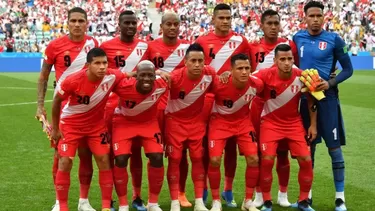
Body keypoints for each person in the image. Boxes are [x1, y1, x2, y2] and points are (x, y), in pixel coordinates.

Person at [51, 48, 130, 211]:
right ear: (88, 65)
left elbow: (131, 74)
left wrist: (161, 75)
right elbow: (57, 101)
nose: (102, 67)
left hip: (96, 127)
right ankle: (63, 207)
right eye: (97, 63)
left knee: (104, 161)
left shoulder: (112, 75)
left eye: (104, 63)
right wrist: (56, 128)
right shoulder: (72, 80)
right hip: (71, 125)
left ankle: (105, 207)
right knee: (65, 162)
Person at [36, 7, 98, 211]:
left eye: (81, 20)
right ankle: (58, 202)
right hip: (63, 110)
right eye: (74, 20)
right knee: (61, 156)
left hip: (89, 110)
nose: (77, 24)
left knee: (86, 154)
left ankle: (84, 201)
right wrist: (40, 106)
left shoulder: (93, 44)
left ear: (87, 22)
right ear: (67, 22)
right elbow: (44, 76)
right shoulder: (55, 46)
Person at [293, 1, 353, 211]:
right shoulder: (297, 38)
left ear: (324, 17)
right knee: (308, 149)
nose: (316, 19)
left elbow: (348, 69)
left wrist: (330, 83)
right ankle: (306, 197)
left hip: (327, 100)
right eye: (312, 16)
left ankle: (340, 198)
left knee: (334, 148)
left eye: (319, 15)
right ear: (305, 17)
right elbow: (291, 64)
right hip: (304, 101)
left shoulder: (334, 40)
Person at [195, 3, 250, 206]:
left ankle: (228, 190)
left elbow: (248, 69)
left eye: (228, 18)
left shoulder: (240, 41)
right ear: (213, 20)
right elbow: (194, 66)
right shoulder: (202, 41)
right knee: (204, 147)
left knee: (231, 147)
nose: (225, 21)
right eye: (221, 18)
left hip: (233, 103)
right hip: (206, 101)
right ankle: (205, 189)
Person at [253, 44, 316, 211]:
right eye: (282, 59)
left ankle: (303, 201)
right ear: (275, 61)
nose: (287, 62)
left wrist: (313, 125)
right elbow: (245, 77)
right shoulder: (265, 74)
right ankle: (267, 201)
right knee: (267, 159)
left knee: (306, 160)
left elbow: (312, 101)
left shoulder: (302, 76)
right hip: (270, 123)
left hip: (293, 124)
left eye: (289, 59)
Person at [248, 9, 298, 208]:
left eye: (276, 23)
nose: (273, 27)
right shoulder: (252, 47)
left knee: (283, 153)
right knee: (261, 153)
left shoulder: (289, 46)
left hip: (283, 105)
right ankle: (260, 194)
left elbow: (297, 73)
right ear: (261, 25)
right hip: (259, 106)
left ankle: (282, 195)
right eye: (269, 23)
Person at [100, 10, 149, 211]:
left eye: (133, 23)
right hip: (111, 107)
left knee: (136, 153)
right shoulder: (106, 47)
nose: (130, 26)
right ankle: (112, 199)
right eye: (126, 23)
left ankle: (137, 197)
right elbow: (102, 73)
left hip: (137, 107)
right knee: (114, 154)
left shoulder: (145, 47)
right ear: (118, 24)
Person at [147, 12, 192, 207]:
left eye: (176, 24)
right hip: (156, 107)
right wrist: (157, 72)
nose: (172, 27)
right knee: (154, 152)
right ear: (161, 26)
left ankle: (181, 193)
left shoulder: (187, 47)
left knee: (181, 154)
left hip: (180, 107)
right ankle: (146, 197)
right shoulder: (151, 47)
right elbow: (143, 70)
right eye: (169, 24)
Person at [208, 53, 263, 211]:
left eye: (247, 68)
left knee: (253, 158)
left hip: (243, 123)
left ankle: (248, 201)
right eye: (239, 68)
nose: (244, 72)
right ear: (231, 70)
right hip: (219, 123)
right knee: (215, 160)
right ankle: (216, 201)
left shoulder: (257, 84)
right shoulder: (219, 83)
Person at [110, 61, 167, 211]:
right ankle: (123, 204)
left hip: (149, 123)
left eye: (150, 75)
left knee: (157, 156)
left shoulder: (163, 83)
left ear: (156, 76)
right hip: (124, 122)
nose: (146, 79)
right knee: (121, 159)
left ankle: (153, 203)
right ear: (136, 76)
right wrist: (126, 74)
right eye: (142, 75)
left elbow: (181, 77)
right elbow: (107, 75)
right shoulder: (123, 85)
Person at [164, 43, 214, 211]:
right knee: (175, 159)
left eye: (201, 61)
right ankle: (174, 202)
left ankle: (199, 201)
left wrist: (227, 74)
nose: (197, 64)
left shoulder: (210, 74)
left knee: (198, 159)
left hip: (196, 123)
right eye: (193, 60)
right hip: (175, 123)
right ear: (185, 62)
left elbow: (222, 88)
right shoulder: (174, 77)